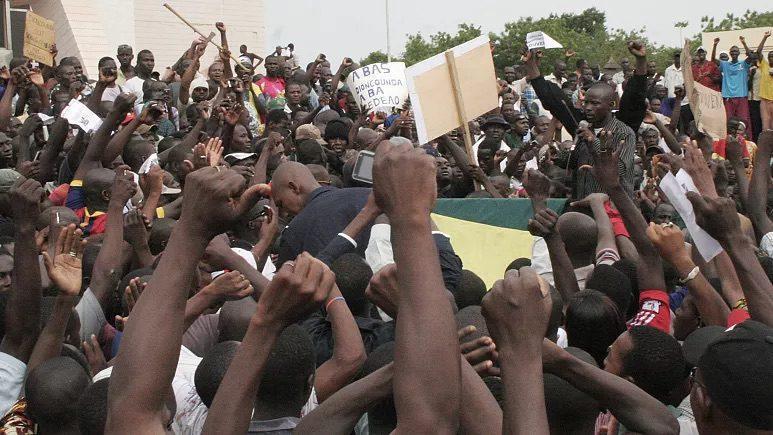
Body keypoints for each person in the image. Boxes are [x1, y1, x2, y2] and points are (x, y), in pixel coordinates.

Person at [716, 40, 753, 138]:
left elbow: (751, 56)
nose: (734, 53)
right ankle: (730, 140)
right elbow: (713, 61)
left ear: (739, 53)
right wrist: (715, 45)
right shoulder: (725, 64)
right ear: (730, 53)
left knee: (743, 121)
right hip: (728, 97)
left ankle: (745, 140)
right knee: (729, 121)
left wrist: (744, 43)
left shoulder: (743, 64)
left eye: (736, 51)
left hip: (741, 97)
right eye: (732, 51)